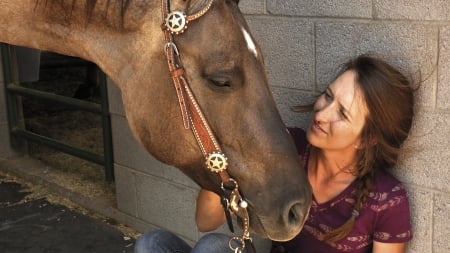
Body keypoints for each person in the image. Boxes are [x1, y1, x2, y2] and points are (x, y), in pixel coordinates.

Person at [134, 54, 416, 253]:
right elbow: (205, 221)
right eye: (328, 96)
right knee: (153, 244)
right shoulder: (287, 147)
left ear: (367, 139)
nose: (322, 113)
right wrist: (224, 158)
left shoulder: (386, 199)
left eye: (342, 113)